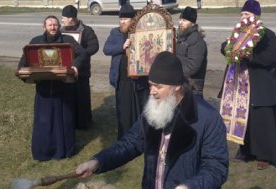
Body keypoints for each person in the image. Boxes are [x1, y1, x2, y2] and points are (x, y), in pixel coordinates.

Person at [75, 51, 229, 189]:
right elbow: (130, 143)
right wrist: (97, 162)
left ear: (176, 86)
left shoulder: (208, 118)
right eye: (150, 85)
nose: (152, 92)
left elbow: (216, 168)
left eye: (158, 86)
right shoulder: (154, 110)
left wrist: (189, 186)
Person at [218, 0, 276, 170]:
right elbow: (226, 46)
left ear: (256, 16)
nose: (243, 17)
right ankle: (245, 151)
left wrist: (251, 56)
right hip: (240, 86)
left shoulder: (267, 34)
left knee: (262, 122)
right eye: (242, 14)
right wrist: (228, 49)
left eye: (247, 14)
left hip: (260, 86)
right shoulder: (238, 33)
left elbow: (272, 56)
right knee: (244, 121)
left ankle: (264, 156)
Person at [17, 15, 86, 161]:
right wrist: (22, 71)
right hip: (44, 90)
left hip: (63, 89)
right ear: (44, 27)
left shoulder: (68, 40)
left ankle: (66, 150)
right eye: (50, 25)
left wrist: (75, 65)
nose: (53, 27)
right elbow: (24, 60)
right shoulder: (35, 42)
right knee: (44, 122)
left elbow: (82, 54)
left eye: (55, 24)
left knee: (64, 120)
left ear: (58, 26)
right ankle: (44, 152)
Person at [103, 3, 149, 139]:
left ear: (133, 20)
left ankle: (139, 135)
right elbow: (106, 49)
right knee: (123, 109)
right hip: (121, 78)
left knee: (138, 107)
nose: (122, 22)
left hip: (137, 78)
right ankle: (124, 135)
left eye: (126, 19)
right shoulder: (115, 32)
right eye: (121, 19)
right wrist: (122, 46)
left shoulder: (140, 32)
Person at [60, 4, 99, 130]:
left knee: (82, 97)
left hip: (82, 71)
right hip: (66, 70)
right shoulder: (61, 31)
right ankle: (70, 121)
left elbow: (94, 47)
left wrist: (81, 54)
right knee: (68, 97)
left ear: (71, 19)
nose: (62, 20)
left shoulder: (86, 30)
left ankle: (83, 122)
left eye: (64, 18)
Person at [175, 6, 208, 97]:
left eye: (184, 20)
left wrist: (174, 73)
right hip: (182, 83)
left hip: (192, 87)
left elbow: (193, 66)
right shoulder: (182, 37)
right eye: (180, 19)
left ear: (192, 23)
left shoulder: (197, 41)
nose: (181, 23)